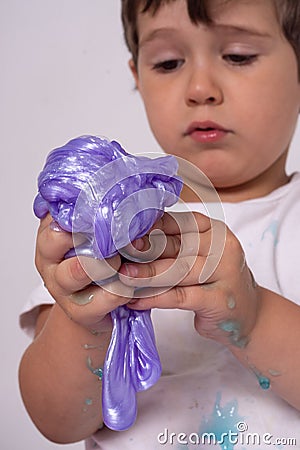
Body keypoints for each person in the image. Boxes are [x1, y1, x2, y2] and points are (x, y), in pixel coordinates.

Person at [19, 0, 300, 449]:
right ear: (138, 77)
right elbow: (57, 422)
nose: (200, 87)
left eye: (238, 55)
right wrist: (86, 320)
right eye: (168, 62)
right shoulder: (106, 230)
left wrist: (255, 317)